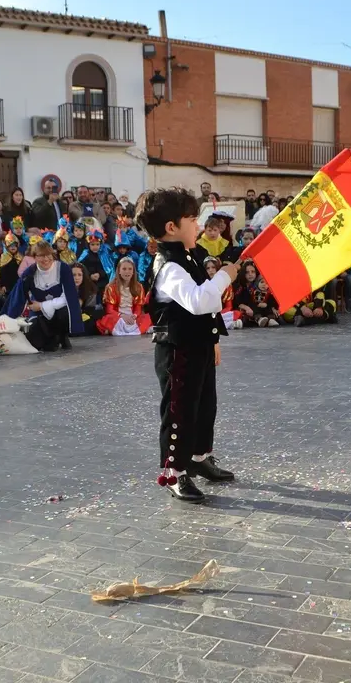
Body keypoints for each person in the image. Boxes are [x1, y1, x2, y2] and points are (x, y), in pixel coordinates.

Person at [135, 188, 240, 503]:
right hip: (178, 352)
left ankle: (198, 459)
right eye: (192, 219)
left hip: (198, 346)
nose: (198, 225)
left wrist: (214, 340)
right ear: (171, 227)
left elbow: (206, 309)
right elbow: (198, 301)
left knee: (205, 406)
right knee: (179, 412)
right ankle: (175, 472)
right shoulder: (169, 266)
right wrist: (224, 276)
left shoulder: (188, 255)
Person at [4, 240, 83, 352]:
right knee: (36, 342)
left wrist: (42, 305)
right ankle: (51, 339)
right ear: (34, 257)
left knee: (65, 313)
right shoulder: (29, 273)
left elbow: (69, 297)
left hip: (57, 310)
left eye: (48, 255)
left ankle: (62, 336)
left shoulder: (63, 269)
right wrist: (5, 321)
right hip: (38, 314)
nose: (46, 259)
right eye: (41, 256)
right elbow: (17, 296)